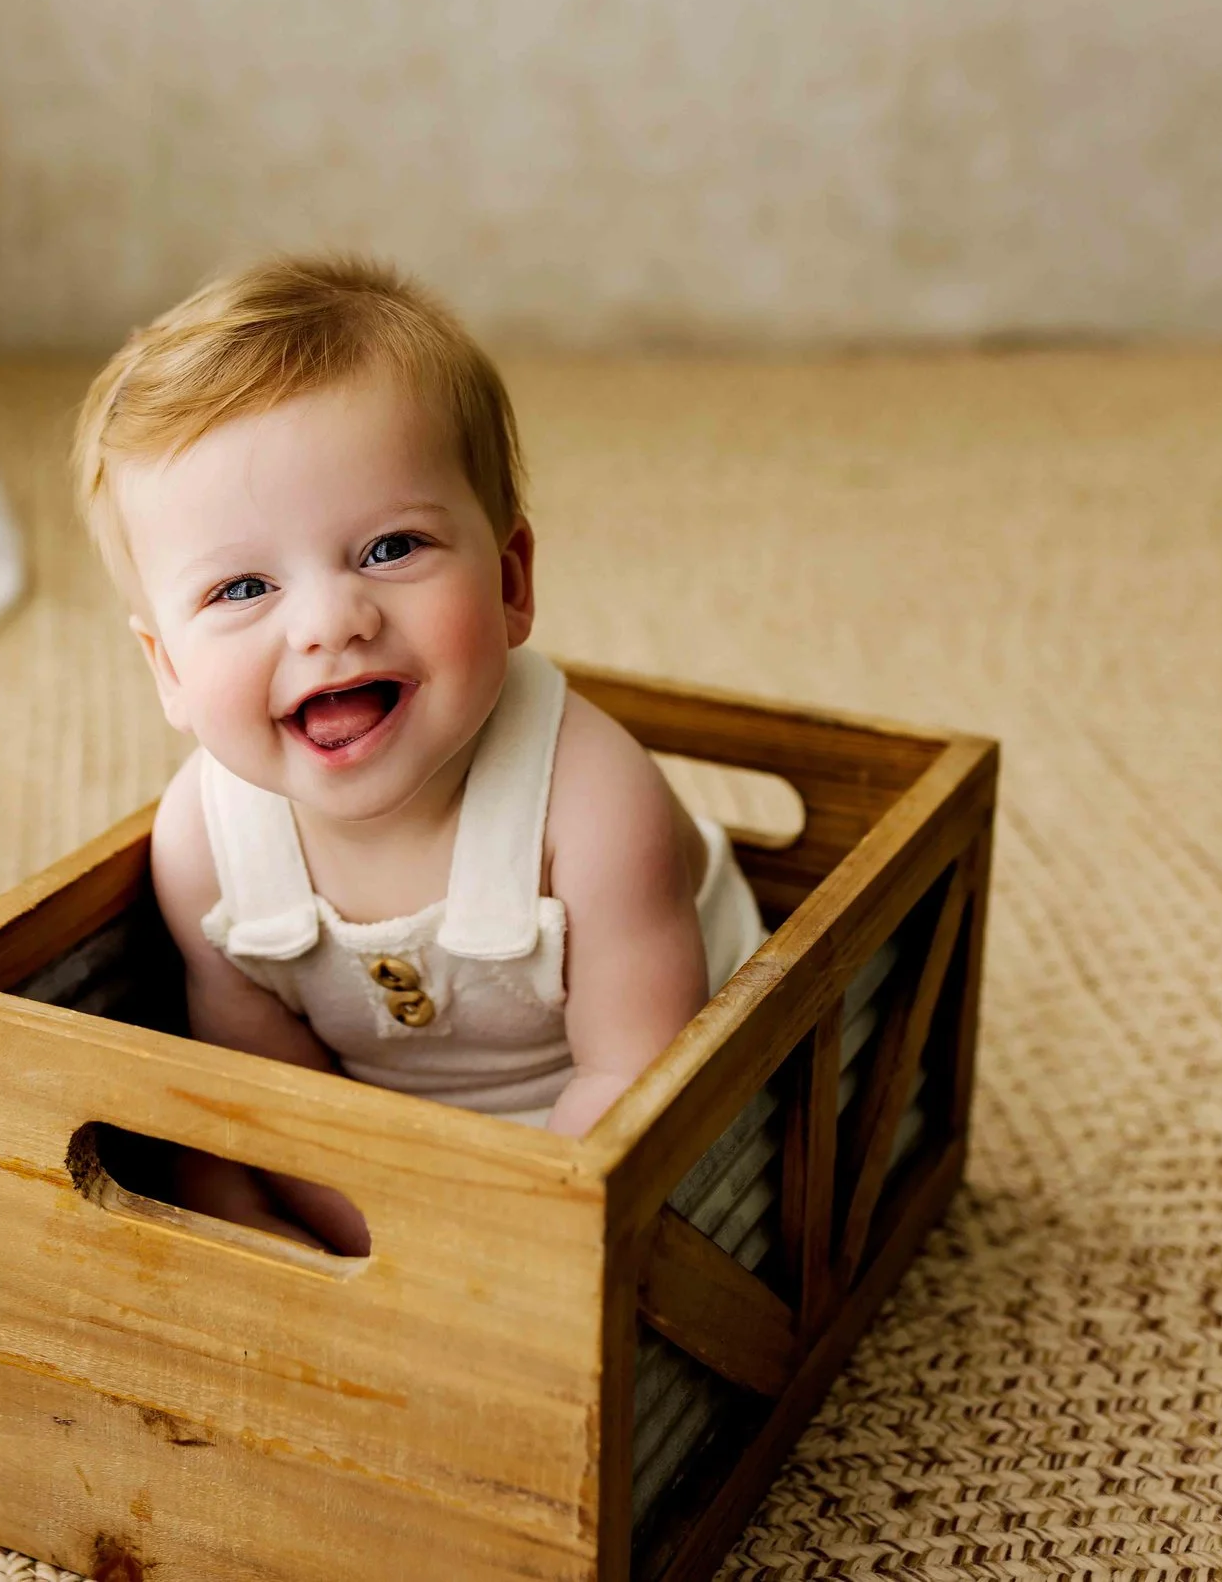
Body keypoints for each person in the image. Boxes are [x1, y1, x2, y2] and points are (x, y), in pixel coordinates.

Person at [73, 255, 763, 1253]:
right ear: (166, 670)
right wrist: (371, 1233)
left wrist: (478, 1248)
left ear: (511, 580)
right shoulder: (204, 847)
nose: (327, 622)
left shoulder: (595, 807)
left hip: (597, 1125)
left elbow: (633, 1082)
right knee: (194, 1143)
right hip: (374, 1138)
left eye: (389, 549)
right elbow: (271, 1087)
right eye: (240, 589)